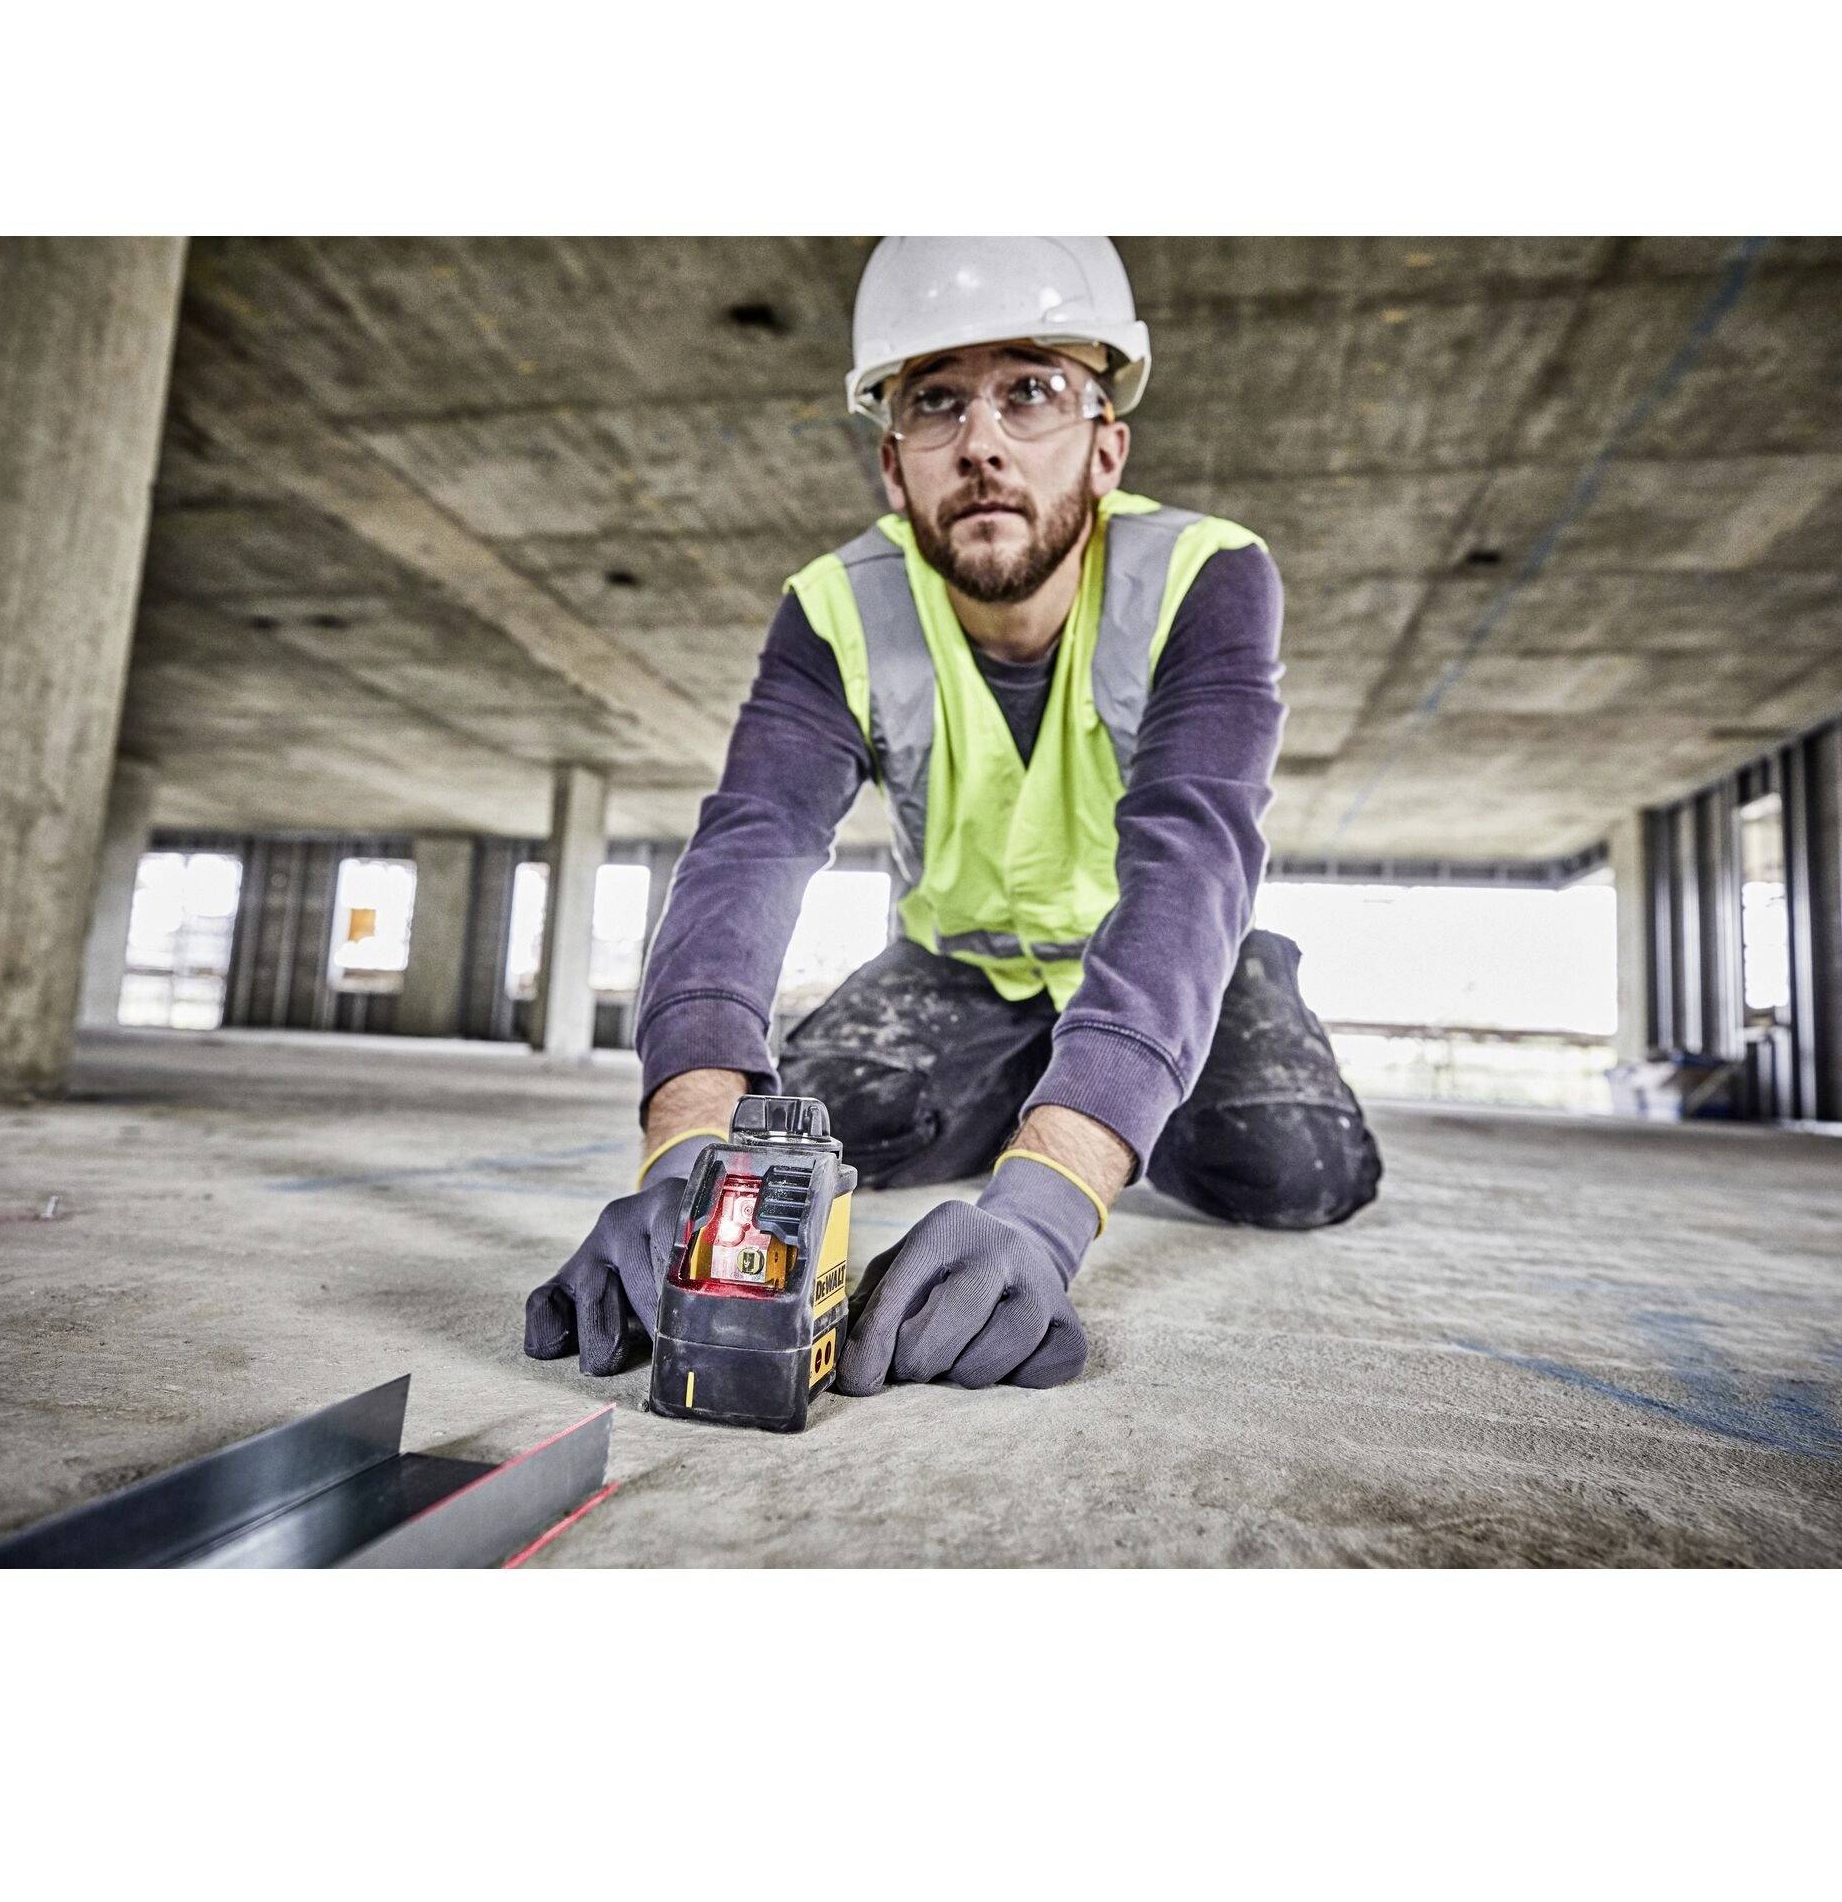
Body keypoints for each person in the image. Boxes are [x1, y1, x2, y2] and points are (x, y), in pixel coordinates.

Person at [524, 237, 1381, 1397]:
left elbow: (1193, 854)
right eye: (935, 402)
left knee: (1288, 1164)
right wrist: (685, 1146)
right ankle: (1031, 1075)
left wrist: (1047, 1199)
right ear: (893, 464)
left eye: (1028, 391)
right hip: (958, 969)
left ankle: (1093, 1075)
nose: (979, 440)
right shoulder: (834, 609)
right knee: (807, 1134)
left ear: (1104, 444)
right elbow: (753, 843)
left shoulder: (1204, 576)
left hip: (1169, 961)